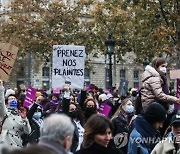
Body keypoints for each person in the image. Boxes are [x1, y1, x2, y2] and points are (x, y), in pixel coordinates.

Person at [0, 80, 31, 150]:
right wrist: (1, 88)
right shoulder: (4, 113)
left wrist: (24, 119)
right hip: (5, 145)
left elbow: (27, 131)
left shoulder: (20, 114)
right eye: (10, 99)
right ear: (7, 103)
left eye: (14, 99)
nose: (13, 100)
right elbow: (1, 102)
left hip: (17, 145)